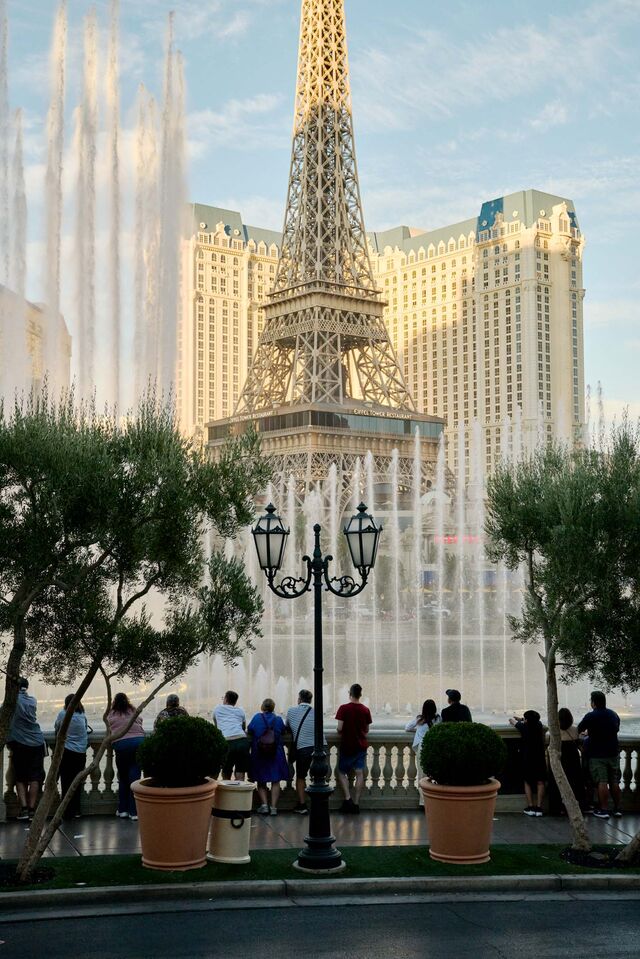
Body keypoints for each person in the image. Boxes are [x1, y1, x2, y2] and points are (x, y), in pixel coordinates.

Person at [577, 691, 622, 819]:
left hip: (597, 754)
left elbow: (579, 729)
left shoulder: (591, 716)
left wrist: (588, 734)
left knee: (602, 781)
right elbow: (615, 728)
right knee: (614, 781)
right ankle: (617, 809)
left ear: (593, 703)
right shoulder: (613, 714)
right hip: (613, 752)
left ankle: (604, 809)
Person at [7, 678, 45, 821]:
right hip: (37, 742)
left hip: (20, 743)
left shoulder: (11, 702)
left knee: (20, 777)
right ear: (27, 687)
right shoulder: (33, 700)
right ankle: (31, 810)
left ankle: (23, 809)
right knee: (35, 777)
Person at [106, 692, 145, 821]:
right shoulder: (132, 710)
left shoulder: (112, 713)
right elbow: (140, 720)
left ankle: (123, 810)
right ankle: (134, 812)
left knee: (123, 777)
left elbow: (109, 725)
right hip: (138, 743)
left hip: (122, 744)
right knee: (134, 777)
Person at [335, 683, 372, 814]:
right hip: (361, 745)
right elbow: (367, 729)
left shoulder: (343, 708)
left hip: (347, 745)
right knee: (359, 774)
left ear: (350, 694)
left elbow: (339, 728)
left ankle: (347, 799)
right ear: (360, 694)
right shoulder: (365, 710)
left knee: (341, 772)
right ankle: (356, 804)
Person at [248, 698, 289, 815]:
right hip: (276, 753)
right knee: (275, 780)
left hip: (260, 753)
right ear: (273, 708)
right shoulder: (278, 719)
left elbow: (250, 729)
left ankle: (264, 805)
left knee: (261, 780)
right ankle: (274, 807)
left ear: (262, 707)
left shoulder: (257, 717)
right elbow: (283, 731)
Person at [54, 694, 90, 820]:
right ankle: (77, 810)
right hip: (80, 753)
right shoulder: (82, 715)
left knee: (66, 781)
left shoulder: (63, 714)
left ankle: (66, 811)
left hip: (67, 752)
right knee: (77, 782)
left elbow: (57, 729)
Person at [547, 707, 585, 816]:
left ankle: (556, 808)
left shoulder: (555, 731)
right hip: (573, 758)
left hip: (560, 758)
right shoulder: (575, 730)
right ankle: (577, 807)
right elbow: (578, 743)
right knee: (575, 783)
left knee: (556, 783)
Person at [286, 689, 318, 815]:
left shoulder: (291, 711)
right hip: (320, 748)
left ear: (299, 699)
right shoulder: (316, 712)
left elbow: (287, 726)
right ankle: (318, 802)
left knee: (301, 777)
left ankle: (302, 804)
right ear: (310, 700)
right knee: (318, 777)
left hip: (303, 748)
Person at [510, 710, 547, 817]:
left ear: (526, 720)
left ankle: (530, 806)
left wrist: (516, 720)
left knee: (527, 781)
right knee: (540, 781)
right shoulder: (539, 725)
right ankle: (539, 807)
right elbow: (532, 721)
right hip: (539, 757)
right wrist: (522, 719)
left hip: (527, 758)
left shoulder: (524, 728)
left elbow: (511, 721)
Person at [405, 699, 440, 808]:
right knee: (433, 775)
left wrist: (418, 728)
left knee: (422, 775)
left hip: (422, 747)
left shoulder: (421, 719)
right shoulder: (438, 718)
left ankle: (423, 802)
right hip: (433, 747)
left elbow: (407, 727)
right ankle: (434, 799)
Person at [213, 690, 250, 782]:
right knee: (240, 771)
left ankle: (227, 794)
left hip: (227, 741)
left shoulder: (217, 709)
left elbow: (216, 727)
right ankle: (240, 794)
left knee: (226, 771)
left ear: (225, 699)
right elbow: (243, 727)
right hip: (242, 740)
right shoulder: (240, 711)